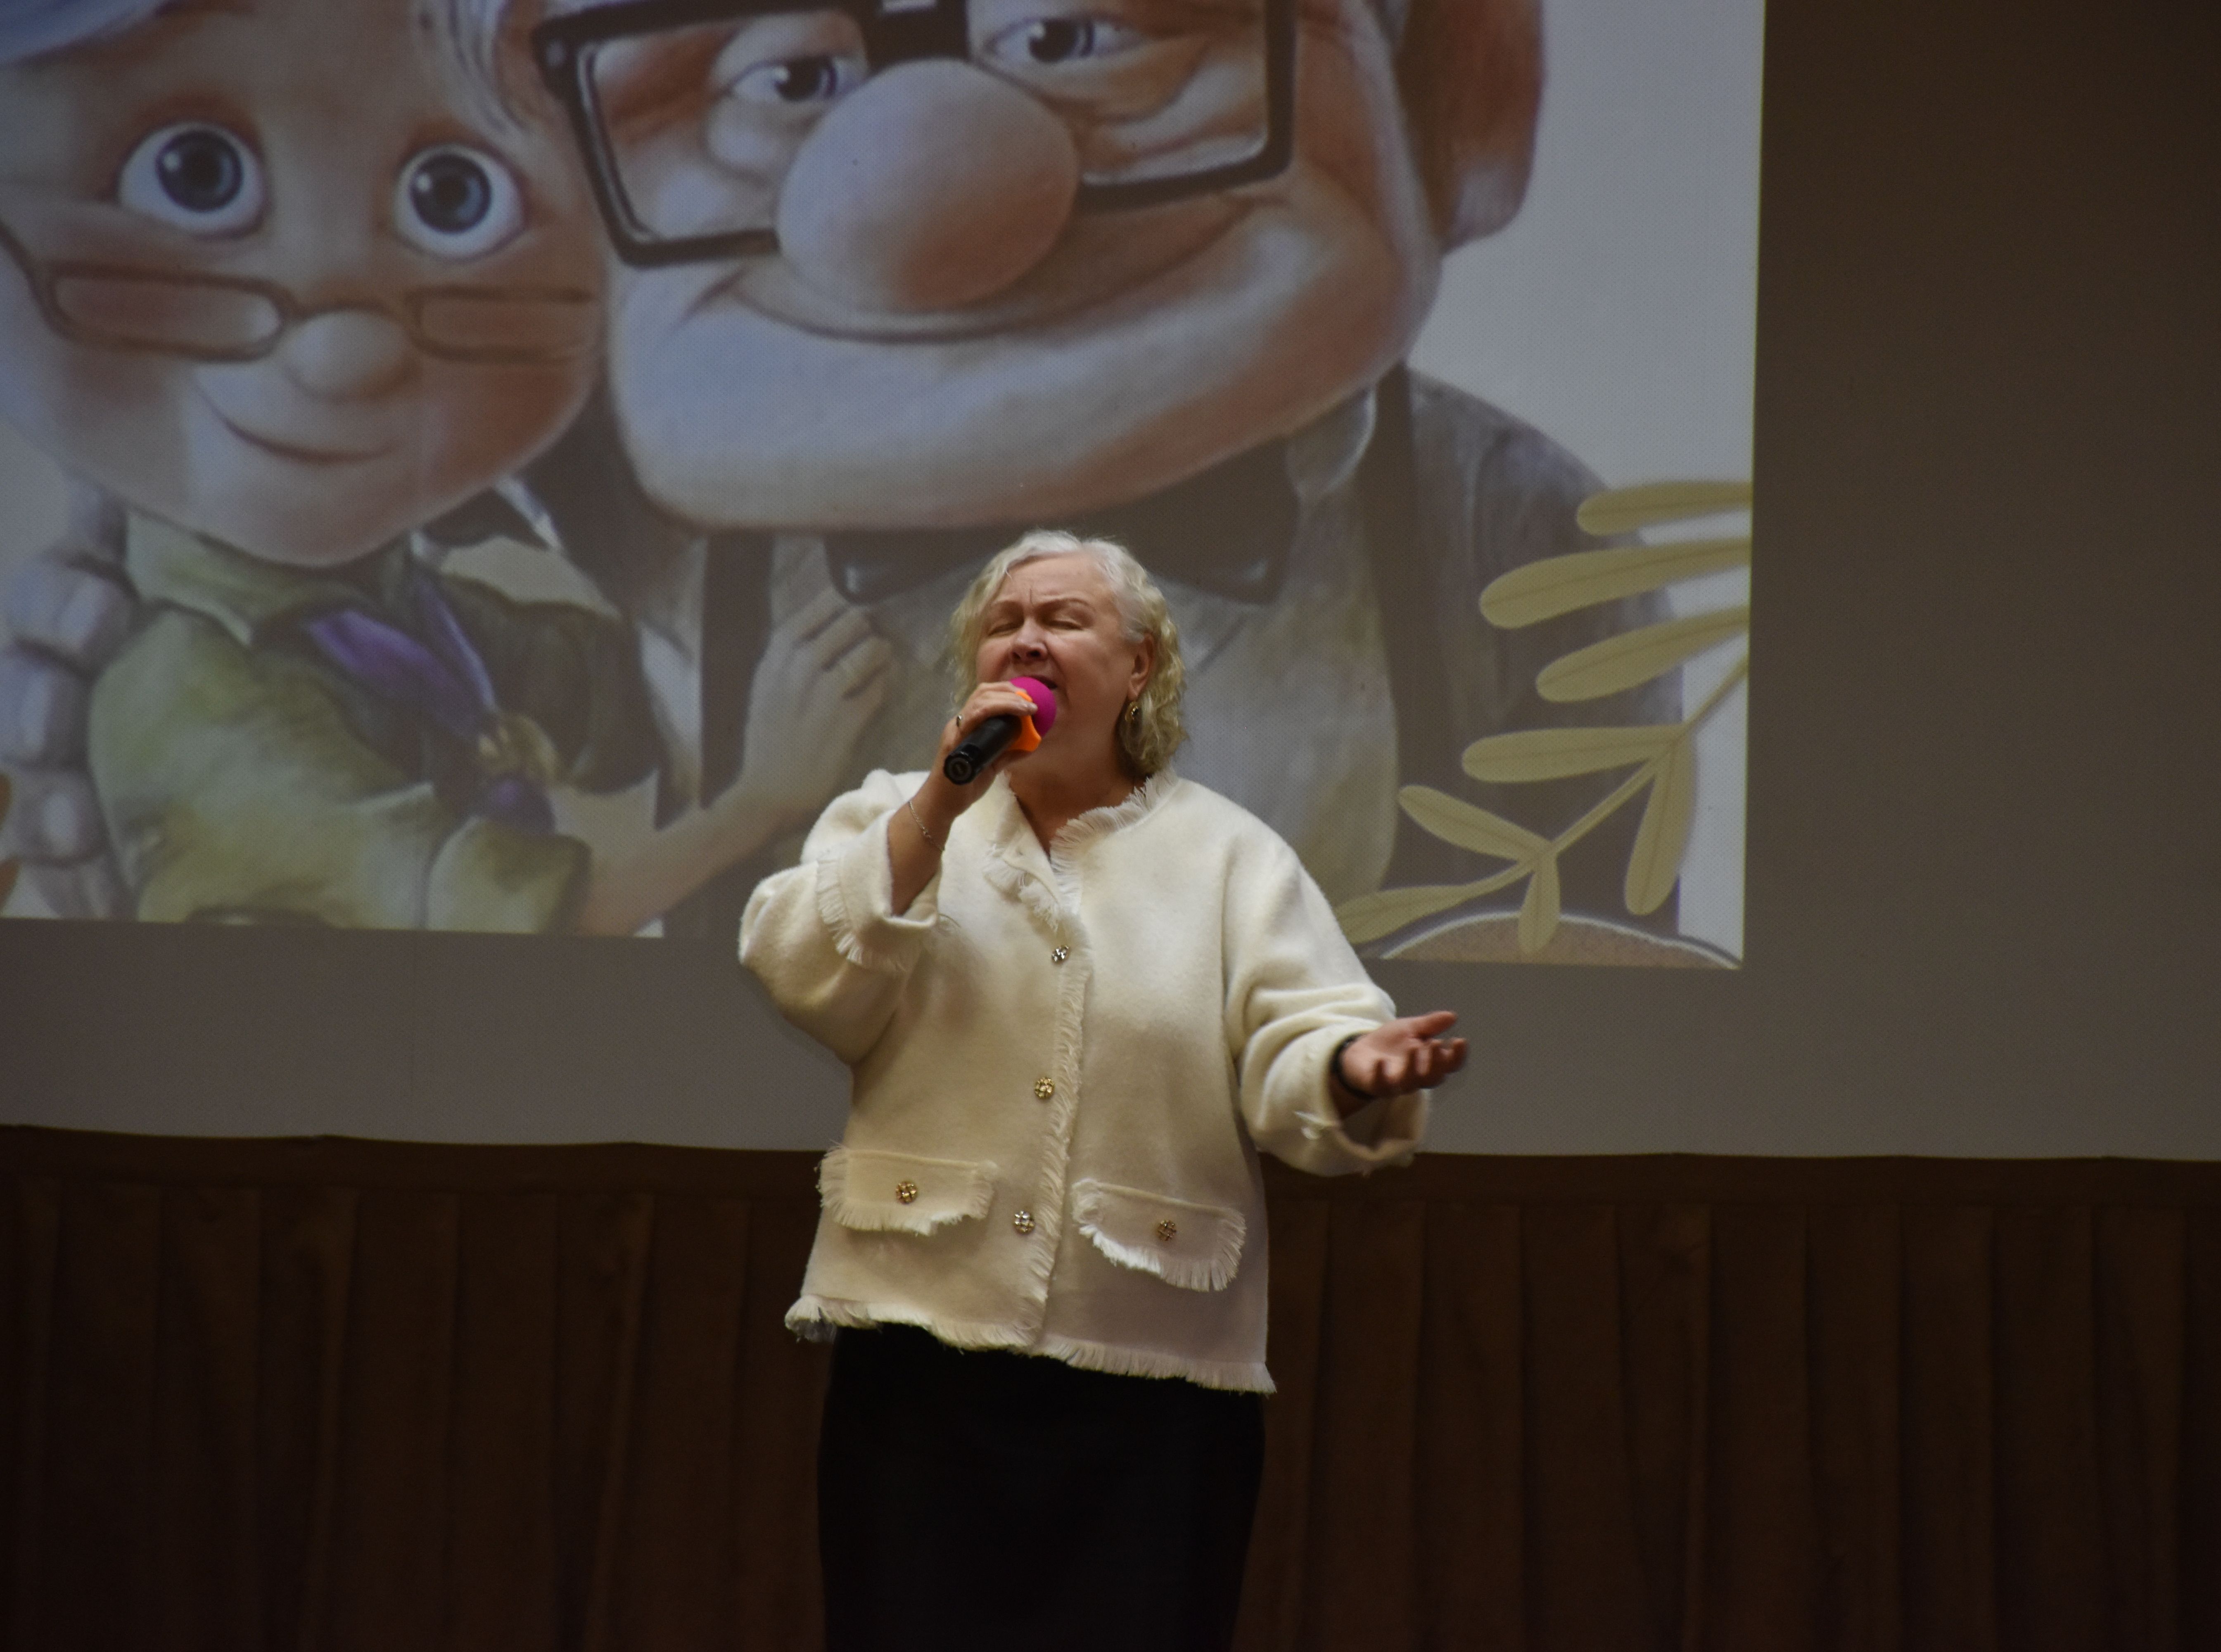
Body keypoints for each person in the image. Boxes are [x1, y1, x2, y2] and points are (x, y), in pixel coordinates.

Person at [3, 0, 1691, 955]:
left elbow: (1590, 1013)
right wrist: (109, 591)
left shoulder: (1505, 534)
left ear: (1457, 85)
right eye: (790, 77)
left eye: (1082, 26)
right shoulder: (617, 498)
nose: (924, 197)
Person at [0, 0, 889, 930]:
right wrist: (760, 800)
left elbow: (587, 689)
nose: (343, 356)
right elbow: (527, 922)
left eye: (453, 194)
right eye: (196, 176)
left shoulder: (388, 604)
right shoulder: (194, 692)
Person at [738, 531, 1466, 1647]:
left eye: (1065, 619)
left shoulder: (1231, 857)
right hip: (922, 1373)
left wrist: (1347, 1067)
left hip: (1154, 1395)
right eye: (1005, 622)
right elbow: (798, 967)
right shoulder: (900, 818)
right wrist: (940, 802)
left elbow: (1305, 1033)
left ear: (1140, 667)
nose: (1028, 637)